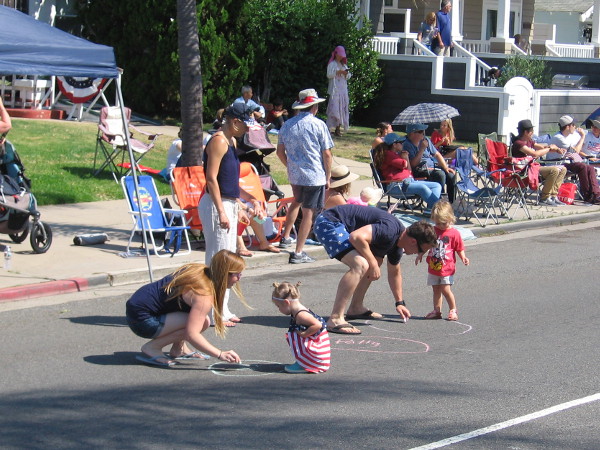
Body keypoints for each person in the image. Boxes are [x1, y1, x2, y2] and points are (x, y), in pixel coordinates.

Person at [313, 204, 438, 335]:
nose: (418, 254)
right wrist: (372, 263)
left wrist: (399, 303)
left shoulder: (397, 245)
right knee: (361, 264)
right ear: (413, 241)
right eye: (421, 250)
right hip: (328, 222)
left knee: (376, 261)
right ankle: (335, 318)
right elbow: (356, 237)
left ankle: (356, 308)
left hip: (340, 225)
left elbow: (394, 273)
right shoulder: (389, 230)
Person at [199, 103, 264, 325]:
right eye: (246, 125)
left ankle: (222, 308)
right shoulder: (218, 141)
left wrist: (247, 201)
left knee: (227, 261)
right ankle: (211, 311)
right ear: (235, 122)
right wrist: (221, 212)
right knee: (217, 260)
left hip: (227, 202)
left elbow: (230, 183)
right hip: (215, 204)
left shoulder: (231, 141)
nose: (247, 130)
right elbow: (211, 179)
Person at [125, 250, 246, 368]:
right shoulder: (204, 295)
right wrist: (220, 354)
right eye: (237, 274)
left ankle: (179, 349)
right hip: (141, 321)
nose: (239, 278)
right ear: (224, 274)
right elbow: (191, 334)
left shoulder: (200, 270)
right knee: (203, 323)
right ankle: (152, 347)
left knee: (197, 318)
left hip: (136, 309)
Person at [276, 88, 333, 264]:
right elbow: (327, 153)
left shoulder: (287, 125)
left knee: (297, 201)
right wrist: (328, 176)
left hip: (295, 175)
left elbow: (279, 152)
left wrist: (290, 165)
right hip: (314, 175)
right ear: (314, 107)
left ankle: (286, 236)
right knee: (309, 212)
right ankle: (299, 252)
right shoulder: (319, 125)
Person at [423, 201, 469, 321]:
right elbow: (427, 245)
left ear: (450, 218)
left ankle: (453, 309)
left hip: (447, 268)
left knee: (445, 289)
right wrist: (420, 254)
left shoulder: (454, 233)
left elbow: (459, 248)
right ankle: (437, 310)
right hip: (433, 266)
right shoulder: (433, 231)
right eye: (437, 223)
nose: (440, 226)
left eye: (443, 223)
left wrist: (463, 257)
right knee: (436, 289)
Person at [374, 133, 442, 213]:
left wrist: (406, 158)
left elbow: (409, 171)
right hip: (397, 186)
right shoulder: (388, 154)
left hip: (408, 182)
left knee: (436, 186)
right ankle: (440, 210)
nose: (403, 144)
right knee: (422, 188)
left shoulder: (396, 155)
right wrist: (405, 157)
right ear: (394, 145)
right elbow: (404, 164)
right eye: (400, 142)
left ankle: (430, 210)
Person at [271, 281, 331, 374]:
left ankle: (307, 364)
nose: (279, 309)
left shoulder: (301, 315)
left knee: (298, 336)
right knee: (296, 334)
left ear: (286, 302)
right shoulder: (298, 312)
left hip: (318, 354)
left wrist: (305, 334)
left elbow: (318, 325)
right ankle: (304, 361)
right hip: (318, 355)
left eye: (278, 306)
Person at [511, 119, 567, 207]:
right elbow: (535, 154)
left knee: (563, 169)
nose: (533, 133)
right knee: (554, 170)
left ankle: (553, 196)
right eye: (532, 131)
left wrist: (556, 149)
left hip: (533, 168)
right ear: (526, 132)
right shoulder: (519, 144)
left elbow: (542, 147)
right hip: (524, 170)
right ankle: (544, 198)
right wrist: (549, 149)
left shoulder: (529, 141)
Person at [548, 115, 600, 204]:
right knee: (582, 166)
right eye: (573, 125)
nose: (575, 127)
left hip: (567, 161)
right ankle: (587, 196)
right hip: (557, 163)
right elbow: (576, 151)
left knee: (589, 167)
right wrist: (583, 137)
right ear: (568, 126)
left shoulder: (570, 135)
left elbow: (573, 153)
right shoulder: (559, 137)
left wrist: (581, 160)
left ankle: (596, 194)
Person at [403, 123, 456, 203]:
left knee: (451, 175)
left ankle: (451, 203)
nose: (423, 134)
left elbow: (437, 154)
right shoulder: (407, 144)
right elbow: (413, 164)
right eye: (421, 132)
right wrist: (422, 149)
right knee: (440, 175)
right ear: (412, 133)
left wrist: (446, 167)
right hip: (419, 170)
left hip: (432, 168)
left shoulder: (425, 140)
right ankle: (438, 203)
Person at [326, 46, 351, 137]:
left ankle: (338, 128)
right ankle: (329, 128)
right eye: (339, 55)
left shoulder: (344, 65)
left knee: (342, 109)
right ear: (336, 54)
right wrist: (337, 72)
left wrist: (346, 73)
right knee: (334, 108)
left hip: (342, 90)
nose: (340, 57)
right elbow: (329, 75)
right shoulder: (332, 64)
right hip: (335, 90)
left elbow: (349, 76)